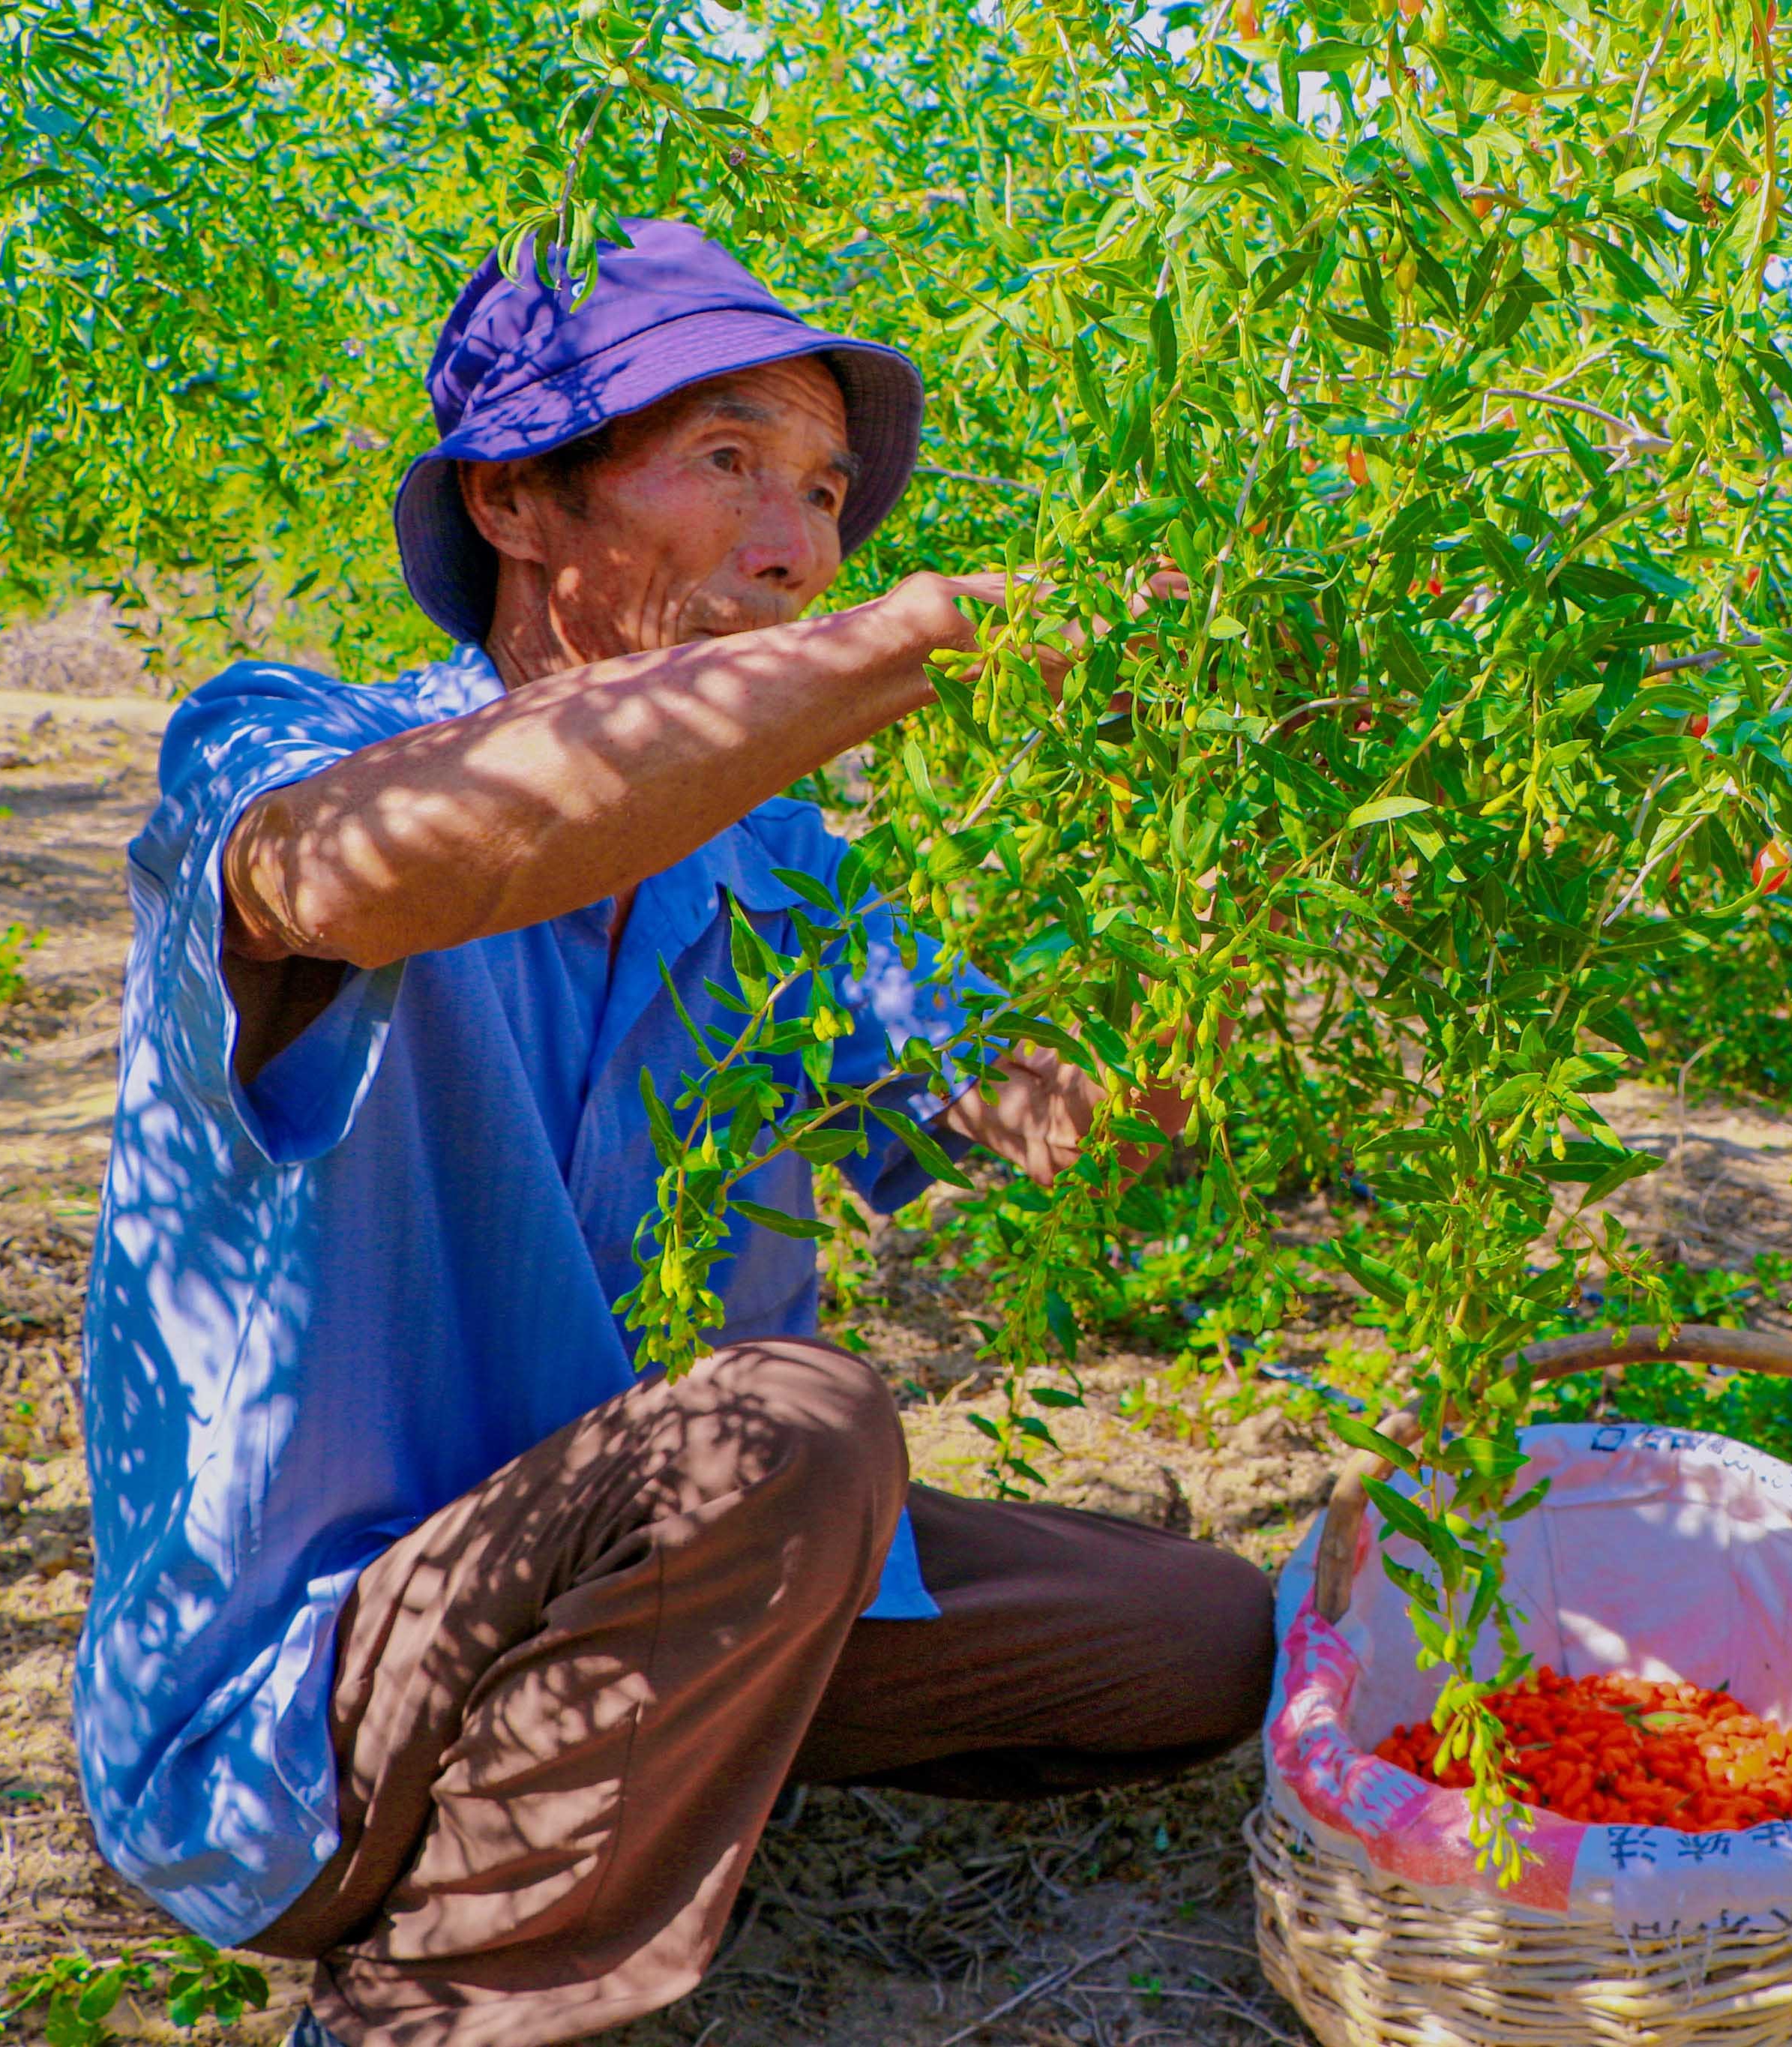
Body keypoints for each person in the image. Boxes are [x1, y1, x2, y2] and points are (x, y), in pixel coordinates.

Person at [74, 221, 1277, 2047]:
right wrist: (912, 642)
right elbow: (355, 871)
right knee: (791, 1429)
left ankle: (658, 1766)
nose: (800, 546)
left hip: (636, 1573)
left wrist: (1209, 889)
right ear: (515, 503)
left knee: (1208, 1638)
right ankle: (427, 2006)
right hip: (299, 1702)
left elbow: (1055, 1119)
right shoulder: (290, 744)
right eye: (728, 465)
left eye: (821, 492)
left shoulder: (778, 873)